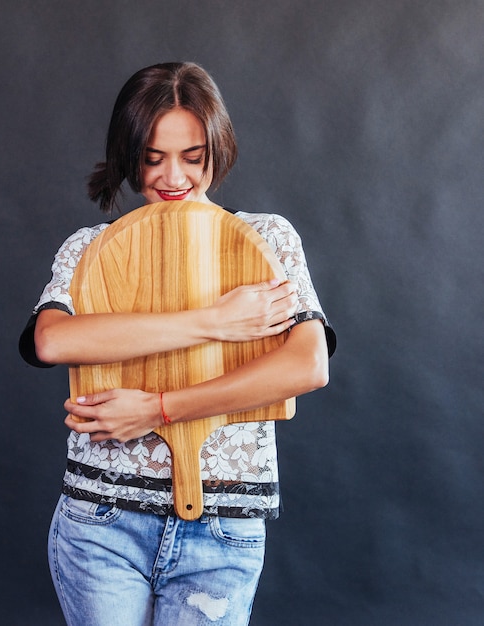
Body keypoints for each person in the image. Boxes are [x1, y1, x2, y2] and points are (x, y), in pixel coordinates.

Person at [19, 62, 336, 626]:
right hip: (101, 520)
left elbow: (307, 364)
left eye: (192, 157)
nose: (173, 176)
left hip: (222, 526)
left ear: (218, 147)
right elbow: (52, 340)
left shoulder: (266, 240)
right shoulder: (92, 248)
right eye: (152, 157)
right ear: (127, 153)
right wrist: (214, 321)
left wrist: (159, 409)